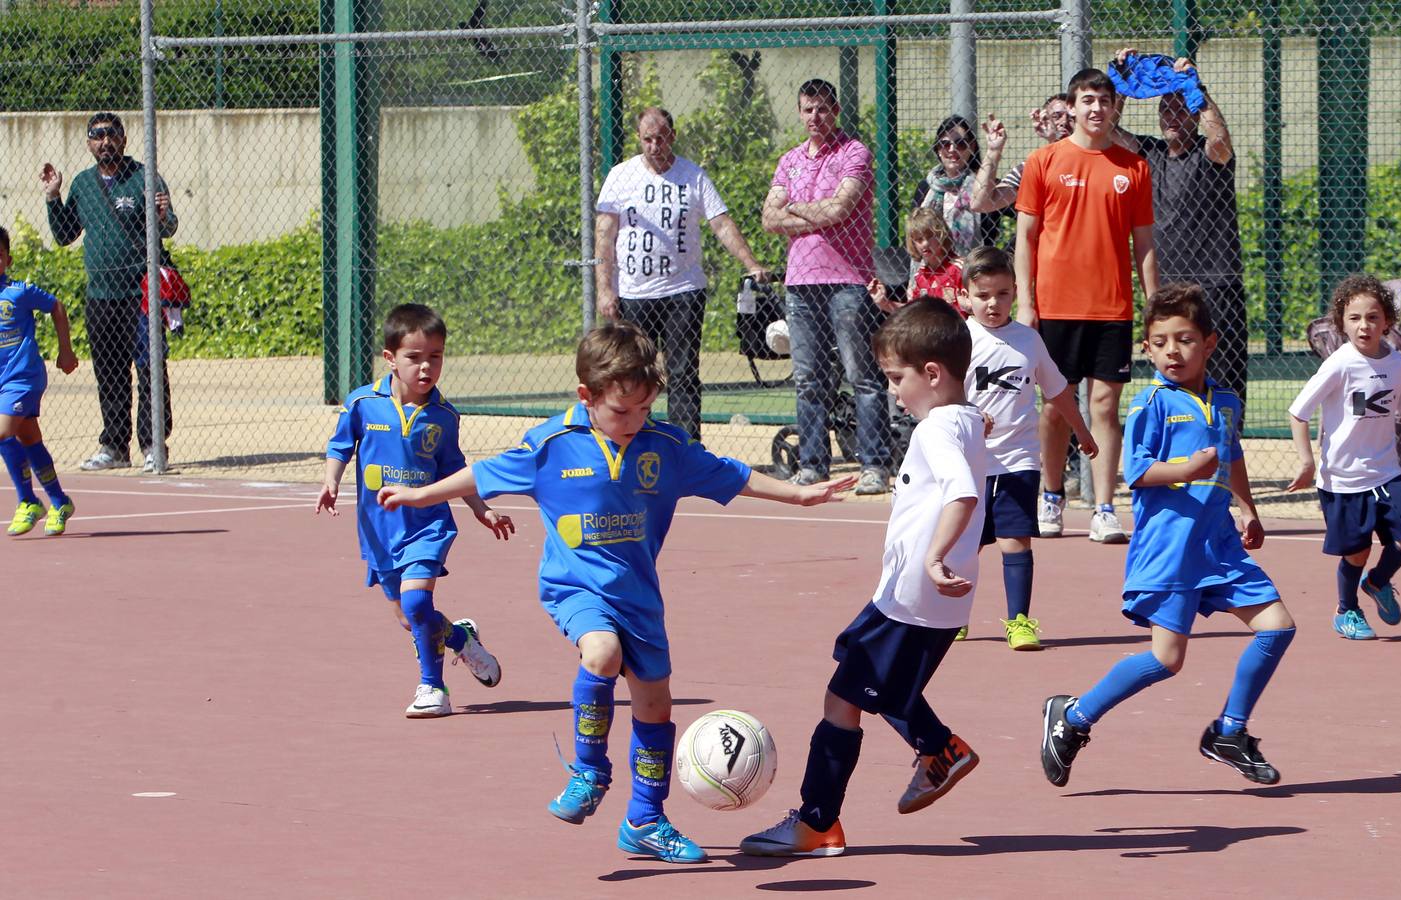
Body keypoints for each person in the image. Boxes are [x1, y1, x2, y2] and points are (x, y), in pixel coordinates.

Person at [380, 320, 855, 864]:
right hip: (574, 587)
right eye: (621, 411)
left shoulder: (666, 446)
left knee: (655, 707)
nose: (634, 421)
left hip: (639, 597)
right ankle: (589, 771)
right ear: (587, 396)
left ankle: (645, 820)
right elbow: (482, 475)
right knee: (601, 652)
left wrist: (800, 495)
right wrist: (421, 494)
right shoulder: (553, 444)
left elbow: (736, 474)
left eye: (644, 408)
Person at [740, 298, 987, 858]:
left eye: (897, 379)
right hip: (914, 600)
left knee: (841, 700)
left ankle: (817, 822)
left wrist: (934, 555)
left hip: (913, 597)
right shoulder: (966, 421)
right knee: (867, 674)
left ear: (932, 373)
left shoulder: (937, 432)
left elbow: (963, 494)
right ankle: (938, 748)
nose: (894, 392)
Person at [1039, 283, 1295, 789]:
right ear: (1148, 348)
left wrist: (1247, 507)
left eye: (1184, 339)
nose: (1172, 351)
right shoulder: (1150, 403)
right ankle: (1072, 717)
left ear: (1210, 343)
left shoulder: (1224, 401)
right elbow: (1135, 471)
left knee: (1278, 627)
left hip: (1218, 545)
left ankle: (1229, 731)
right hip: (1171, 550)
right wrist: (1189, 467)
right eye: (1160, 342)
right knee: (1166, 659)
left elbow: (1231, 456)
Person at [317, 303, 513, 718]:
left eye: (435, 357)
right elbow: (339, 446)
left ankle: (433, 688)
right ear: (390, 358)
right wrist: (331, 481)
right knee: (411, 619)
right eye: (414, 358)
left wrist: (481, 508)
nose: (426, 368)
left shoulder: (443, 415)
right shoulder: (362, 404)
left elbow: (454, 469)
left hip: (427, 526)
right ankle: (460, 638)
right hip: (378, 531)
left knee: (416, 605)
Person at [1014, 69, 1158, 544]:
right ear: (1071, 107)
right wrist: (1026, 303)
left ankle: (1103, 508)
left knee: (1104, 406)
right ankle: (1051, 496)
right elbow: (1026, 240)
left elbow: (1145, 246)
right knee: (1056, 406)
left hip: (1112, 308)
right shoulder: (1043, 161)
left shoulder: (1133, 168)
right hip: (1055, 307)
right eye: (1087, 100)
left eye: (1104, 100)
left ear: (1115, 108)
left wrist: (1153, 304)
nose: (1096, 108)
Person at [594, 106, 770, 442]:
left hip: (683, 290)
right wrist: (605, 289)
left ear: (672, 136)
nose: (654, 145)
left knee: (683, 370)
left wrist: (751, 263)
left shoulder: (693, 176)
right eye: (647, 139)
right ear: (638, 138)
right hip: (635, 293)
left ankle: (686, 445)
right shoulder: (620, 176)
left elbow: (721, 223)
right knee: (632, 371)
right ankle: (632, 440)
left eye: (661, 138)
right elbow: (605, 233)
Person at [1286, 274, 1401, 641]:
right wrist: (1307, 461)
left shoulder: (1398, 363)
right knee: (1356, 552)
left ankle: (1378, 581)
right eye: (1354, 318)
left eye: (1372, 317)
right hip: (1342, 478)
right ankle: (1346, 610)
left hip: (1385, 471)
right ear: (1342, 321)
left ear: (1387, 321)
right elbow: (1298, 412)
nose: (1364, 325)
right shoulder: (1339, 364)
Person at [958, 246, 1096, 648]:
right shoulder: (959, 340)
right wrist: (968, 414)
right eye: (983, 295)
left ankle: (1019, 622)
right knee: (966, 543)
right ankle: (954, 616)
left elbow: (1058, 392)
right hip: (971, 461)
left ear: (1015, 292)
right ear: (965, 296)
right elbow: (943, 396)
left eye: (1002, 294)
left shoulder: (1029, 341)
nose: (993, 303)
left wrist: (1082, 432)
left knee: (1016, 539)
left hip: (1019, 460)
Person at [762, 78, 892, 494]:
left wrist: (794, 209)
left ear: (834, 110)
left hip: (847, 282)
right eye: (807, 110)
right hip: (800, 282)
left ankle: (874, 464)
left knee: (862, 376)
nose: (814, 117)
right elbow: (768, 219)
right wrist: (811, 213)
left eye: (821, 109)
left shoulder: (854, 153)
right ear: (799, 112)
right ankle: (813, 464)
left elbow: (841, 208)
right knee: (809, 379)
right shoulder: (790, 161)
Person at [1108, 48, 1249, 401]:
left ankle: (1225, 452)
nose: (1172, 115)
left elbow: (1219, 138)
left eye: (1179, 107)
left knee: (1224, 383)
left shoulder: (1210, 155)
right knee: (1175, 383)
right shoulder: (1148, 153)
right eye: (1165, 108)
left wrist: (1197, 91)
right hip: (1165, 287)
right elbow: (1109, 131)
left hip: (1215, 286)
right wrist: (1124, 84)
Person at [42, 112, 178, 474]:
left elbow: (170, 227)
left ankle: (153, 446)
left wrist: (163, 215)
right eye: (98, 136)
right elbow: (65, 233)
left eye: (112, 135)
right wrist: (54, 197)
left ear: (124, 139)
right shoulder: (84, 185)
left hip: (141, 295)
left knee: (150, 370)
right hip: (101, 297)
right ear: (89, 143)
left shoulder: (143, 178)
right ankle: (115, 446)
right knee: (111, 373)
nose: (105, 142)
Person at [1, 227, 79, 537]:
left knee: (3, 433)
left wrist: (66, 351)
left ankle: (28, 501)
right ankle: (59, 502)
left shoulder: (19, 291)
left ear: (7, 260)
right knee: (29, 439)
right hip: (4, 383)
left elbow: (56, 306)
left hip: (24, 378)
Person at [910, 115, 1003, 255]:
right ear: (937, 149)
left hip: (975, 270)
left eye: (961, 144)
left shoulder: (987, 185)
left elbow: (1026, 213)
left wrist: (1007, 254)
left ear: (971, 147)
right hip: (933, 271)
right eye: (945, 144)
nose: (952, 149)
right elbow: (914, 231)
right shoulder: (925, 187)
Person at [970, 92, 1075, 214]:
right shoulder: (1033, 167)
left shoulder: (1095, 158)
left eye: (1072, 117)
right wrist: (993, 152)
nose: (1064, 122)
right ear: (1043, 121)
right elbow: (981, 203)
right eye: (1056, 116)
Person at [867, 207, 964, 316]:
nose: (925, 244)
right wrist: (884, 303)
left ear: (942, 235)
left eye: (931, 236)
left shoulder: (960, 269)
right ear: (913, 243)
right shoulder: (921, 276)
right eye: (919, 239)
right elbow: (912, 314)